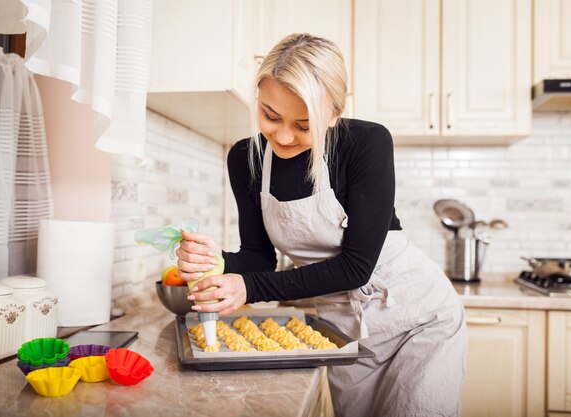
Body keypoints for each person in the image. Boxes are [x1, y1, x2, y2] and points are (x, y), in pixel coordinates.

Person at [176, 33, 466, 417]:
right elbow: (259, 258)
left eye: (303, 125)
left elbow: (355, 267)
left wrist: (246, 287)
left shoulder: (366, 143)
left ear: (333, 115)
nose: (282, 135)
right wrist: (215, 261)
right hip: (340, 329)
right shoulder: (245, 157)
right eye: (270, 115)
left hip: (417, 317)